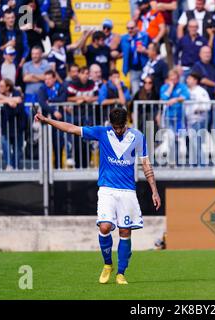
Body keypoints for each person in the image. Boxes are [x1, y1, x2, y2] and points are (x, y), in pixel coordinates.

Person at [34, 107, 161, 285]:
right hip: (107, 189)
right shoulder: (102, 132)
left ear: (126, 124)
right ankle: (108, 264)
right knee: (104, 227)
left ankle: (121, 273)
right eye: (115, 127)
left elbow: (146, 164)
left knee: (125, 231)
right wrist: (48, 121)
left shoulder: (137, 137)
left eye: (121, 127)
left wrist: (154, 190)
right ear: (110, 124)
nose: (118, 130)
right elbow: (71, 128)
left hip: (127, 191)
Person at [66, 66, 98, 168]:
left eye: (87, 73)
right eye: (83, 73)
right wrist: (82, 98)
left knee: (87, 140)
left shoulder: (92, 83)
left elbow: (98, 96)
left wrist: (87, 99)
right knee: (76, 141)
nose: (85, 75)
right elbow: (68, 98)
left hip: (88, 115)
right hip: (75, 116)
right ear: (79, 74)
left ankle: (87, 164)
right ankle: (77, 164)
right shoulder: (73, 84)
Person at [37, 70, 67, 168]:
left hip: (59, 122)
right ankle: (47, 169)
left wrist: (50, 100)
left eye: (49, 79)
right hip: (46, 122)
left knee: (58, 145)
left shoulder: (61, 87)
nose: (47, 81)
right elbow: (42, 102)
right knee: (46, 146)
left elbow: (63, 98)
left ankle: (58, 168)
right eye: (45, 79)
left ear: (54, 78)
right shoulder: (42, 88)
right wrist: (53, 111)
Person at [0, 78, 26, 170]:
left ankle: (15, 165)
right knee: (5, 144)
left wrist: (5, 99)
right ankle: (9, 164)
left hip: (18, 124)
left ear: (8, 87)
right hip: (6, 124)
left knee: (18, 147)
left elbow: (19, 100)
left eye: (2, 86)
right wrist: (8, 101)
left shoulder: (16, 92)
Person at [185, 72, 210, 165]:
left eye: (189, 78)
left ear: (195, 80)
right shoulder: (186, 90)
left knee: (197, 143)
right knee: (192, 143)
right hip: (188, 120)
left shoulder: (201, 91)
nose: (187, 80)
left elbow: (207, 105)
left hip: (198, 120)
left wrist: (197, 110)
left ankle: (201, 163)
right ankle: (194, 163)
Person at [120, 20, 150, 95]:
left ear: (137, 27)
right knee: (135, 92)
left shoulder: (145, 36)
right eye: (128, 28)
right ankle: (136, 106)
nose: (130, 30)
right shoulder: (124, 38)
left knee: (147, 90)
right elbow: (119, 50)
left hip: (145, 67)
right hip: (133, 69)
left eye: (132, 28)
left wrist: (145, 51)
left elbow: (154, 51)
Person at [160, 67, 190, 133]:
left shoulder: (182, 86)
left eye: (175, 78)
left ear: (178, 78)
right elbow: (163, 98)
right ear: (168, 78)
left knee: (181, 137)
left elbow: (186, 96)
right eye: (172, 79)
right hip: (168, 116)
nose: (173, 80)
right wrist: (171, 87)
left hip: (180, 116)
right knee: (170, 137)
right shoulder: (164, 87)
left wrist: (175, 99)